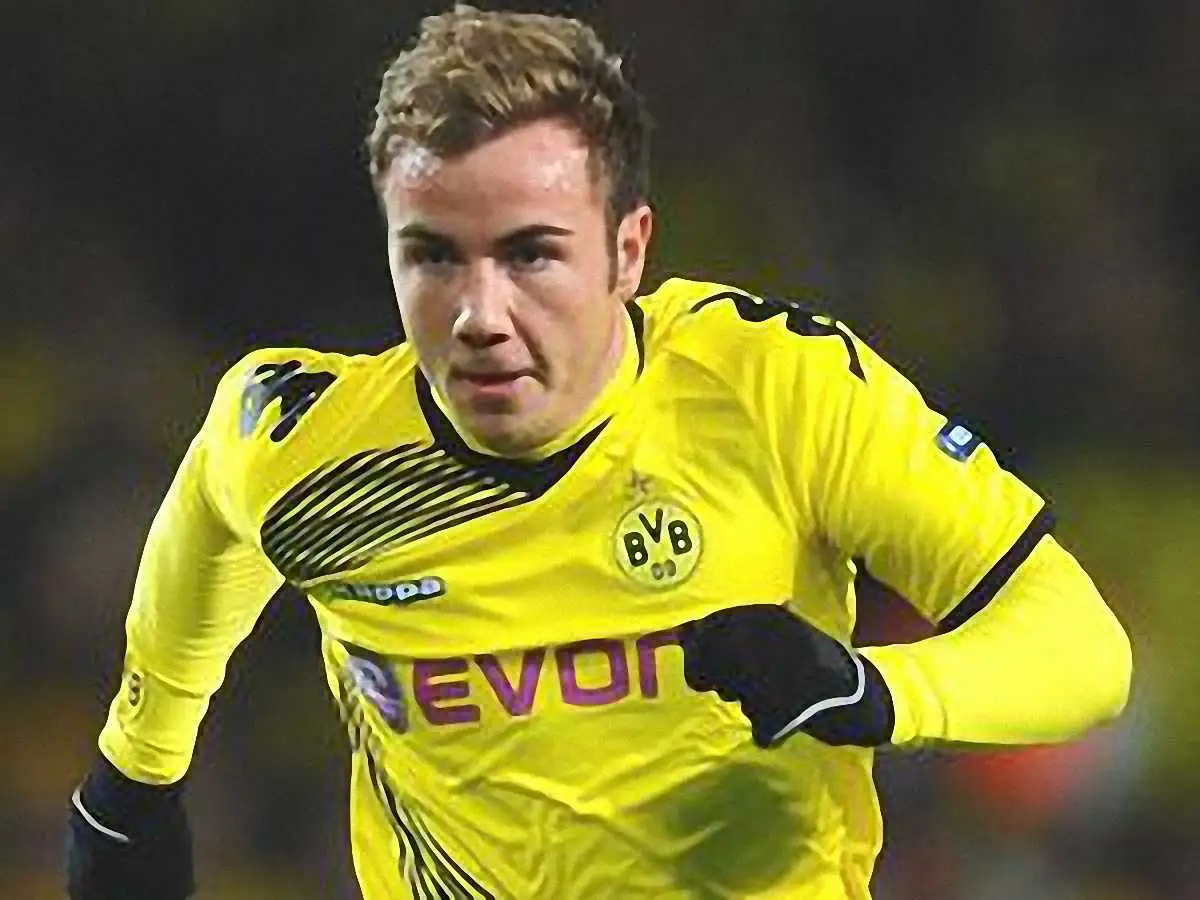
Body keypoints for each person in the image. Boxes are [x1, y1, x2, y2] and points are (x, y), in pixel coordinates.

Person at [64, 6, 1133, 899]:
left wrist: (871, 690)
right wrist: (136, 774)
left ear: (628, 251)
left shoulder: (772, 391)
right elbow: (215, 511)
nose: (479, 315)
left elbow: (1082, 650)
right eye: (433, 257)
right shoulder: (306, 445)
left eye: (531, 254)